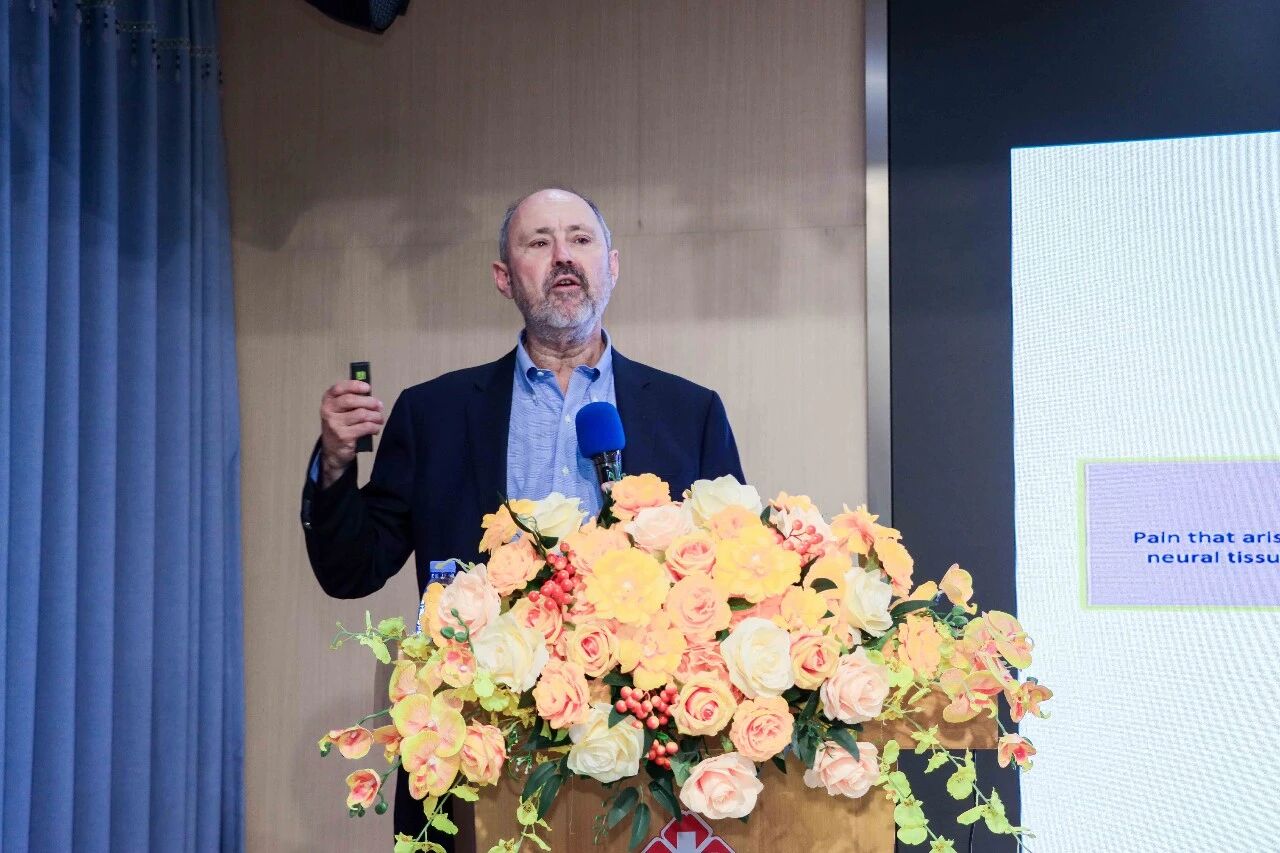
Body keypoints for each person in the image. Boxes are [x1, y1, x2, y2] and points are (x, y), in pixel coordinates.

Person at [299, 187, 745, 844]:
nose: (563, 256)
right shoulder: (435, 414)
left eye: (580, 239)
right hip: (481, 750)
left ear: (612, 267)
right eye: (539, 242)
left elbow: (730, 586)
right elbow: (352, 568)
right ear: (504, 278)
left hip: (643, 761)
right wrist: (335, 467)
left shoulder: (689, 413)